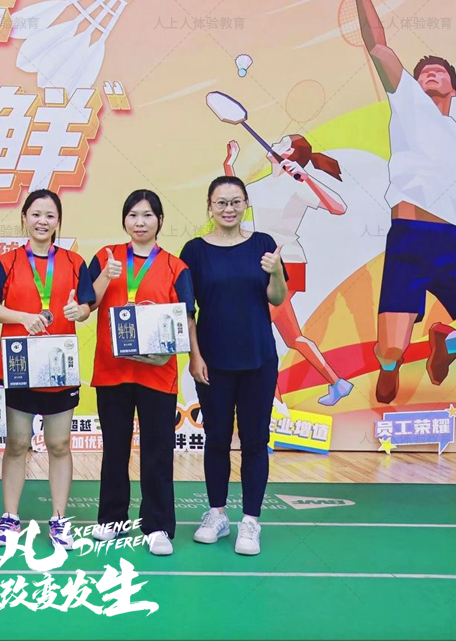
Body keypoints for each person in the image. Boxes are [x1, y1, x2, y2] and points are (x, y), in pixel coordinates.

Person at [334, 0, 456, 404]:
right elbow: (378, 46)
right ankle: (390, 365)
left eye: (438, 72)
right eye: (423, 73)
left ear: (453, 87)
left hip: (452, 242)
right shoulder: (408, 102)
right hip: (409, 238)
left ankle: (447, 341)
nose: (429, 75)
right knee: (391, 347)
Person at [181, 176, 287, 556]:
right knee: (217, 439)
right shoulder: (194, 251)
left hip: (258, 359)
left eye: (236, 201)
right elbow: (187, 311)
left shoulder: (263, 245)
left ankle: (251, 521)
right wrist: (195, 356)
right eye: (221, 202)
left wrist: (276, 270)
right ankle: (217, 514)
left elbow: (277, 298)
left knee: (256, 441)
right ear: (209, 206)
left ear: (246, 204)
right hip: (213, 362)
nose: (229, 208)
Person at [86, 190, 195, 557]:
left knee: (157, 451)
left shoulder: (176, 267)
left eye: (148, 215)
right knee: (114, 449)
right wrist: (105, 275)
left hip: (157, 374)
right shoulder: (106, 257)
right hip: (113, 371)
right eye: (133, 215)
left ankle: (158, 525)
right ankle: (112, 519)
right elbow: (87, 303)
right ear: (124, 220)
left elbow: (185, 319)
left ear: (160, 221)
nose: (140, 222)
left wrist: (172, 352)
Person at [0, 189, 94, 550]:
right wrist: (24, 317)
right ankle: (9, 517)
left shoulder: (75, 262)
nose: (42, 221)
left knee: (59, 444)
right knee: (17, 443)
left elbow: (85, 306)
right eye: (35, 214)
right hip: (18, 365)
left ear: (58, 221)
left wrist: (80, 311)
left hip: (59, 366)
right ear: (24, 218)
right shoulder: (6, 262)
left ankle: (60, 520)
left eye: (50, 215)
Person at [224, 136, 352, 406]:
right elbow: (234, 200)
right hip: (263, 265)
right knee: (293, 338)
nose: (274, 144)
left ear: (291, 154)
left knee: (253, 331)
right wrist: (229, 164)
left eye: (282, 143)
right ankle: (337, 383)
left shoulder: (298, 185)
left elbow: (339, 208)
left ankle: (274, 404)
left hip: (288, 264)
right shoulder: (262, 185)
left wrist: (307, 179)